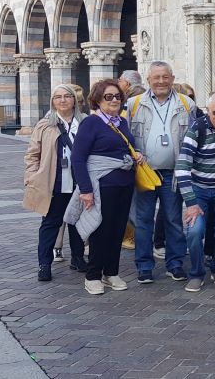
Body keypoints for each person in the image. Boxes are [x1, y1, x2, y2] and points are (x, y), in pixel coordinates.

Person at [124, 61, 197, 284]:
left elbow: (194, 136)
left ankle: (175, 265)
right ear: (148, 80)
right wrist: (135, 153)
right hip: (146, 172)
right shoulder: (134, 103)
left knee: (174, 219)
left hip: (173, 173)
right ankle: (144, 266)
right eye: (156, 77)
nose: (161, 81)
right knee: (144, 220)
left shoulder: (187, 103)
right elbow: (126, 137)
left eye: (165, 77)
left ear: (172, 78)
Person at [67, 79, 140, 295]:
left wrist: (136, 156)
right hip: (102, 185)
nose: (114, 100)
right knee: (100, 231)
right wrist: (86, 190)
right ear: (98, 100)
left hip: (124, 185)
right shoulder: (91, 123)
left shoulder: (121, 123)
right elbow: (78, 158)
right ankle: (93, 275)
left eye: (117, 96)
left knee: (118, 230)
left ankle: (111, 272)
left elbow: (126, 148)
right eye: (108, 96)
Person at [175, 92, 215, 291]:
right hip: (198, 188)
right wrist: (191, 203)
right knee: (194, 231)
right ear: (208, 111)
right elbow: (182, 167)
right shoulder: (197, 129)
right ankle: (196, 272)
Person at [24, 85, 88, 281]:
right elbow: (33, 154)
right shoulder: (45, 125)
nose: (62, 100)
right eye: (58, 97)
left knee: (77, 223)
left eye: (67, 96)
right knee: (51, 223)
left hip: (79, 182)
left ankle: (77, 258)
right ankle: (44, 264)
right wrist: (32, 176)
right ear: (53, 101)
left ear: (74, 100)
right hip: (55, 182)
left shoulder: (85, 122)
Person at [117, 71, 145, 251]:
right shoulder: (139, 96)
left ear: (127, 83)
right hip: (138, 157)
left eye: (120, 80)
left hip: (134, 158)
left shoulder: (130, 101)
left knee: (134, 203)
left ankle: (136, 237)